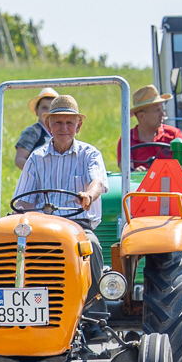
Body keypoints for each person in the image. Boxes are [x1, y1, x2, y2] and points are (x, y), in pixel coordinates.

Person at [15, 95, 107, 290]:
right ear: (49, 126)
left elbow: (97, 182)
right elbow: (24, 200)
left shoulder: (90, 154)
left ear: (78, 126)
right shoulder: (36, 158)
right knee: (12, 248)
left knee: (92, 246)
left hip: (78, 227)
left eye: (69, 123)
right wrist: (17, 214)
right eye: (58, 122)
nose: (63, 128)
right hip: (41, 229)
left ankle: (95, 310)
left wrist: (88, 196)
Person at [117, 84, 182, 171]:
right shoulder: (126, 140)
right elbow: (126, 172)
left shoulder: (174, 135)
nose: (162, 114)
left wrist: (165, 170)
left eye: (162, 109)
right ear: (141, 116)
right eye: (157, 110)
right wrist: (137, 173)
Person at [13, 86, 60, 169]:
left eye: (52, 108)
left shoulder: (64, 131)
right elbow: (19, 159)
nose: (48, 112)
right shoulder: (32, 132)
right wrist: (38, 173)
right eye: (44, 108)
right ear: (36, 110)